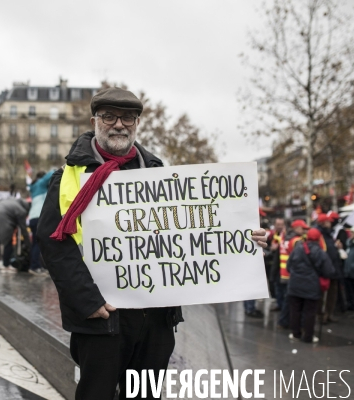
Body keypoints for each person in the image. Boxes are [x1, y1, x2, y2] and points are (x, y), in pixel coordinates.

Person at [37, 87, 268, 399]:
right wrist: (87, 302)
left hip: (156, 320)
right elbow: (54, 244)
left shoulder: (157, 172)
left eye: (128, 118)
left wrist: (241, 236)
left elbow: (191, 231)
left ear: (137, 124)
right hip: (103, 317)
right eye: (109, 117)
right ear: (94, 121)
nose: (119, 124)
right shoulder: (69, 176)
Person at [287, 228, 334, 343]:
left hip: (295, 285)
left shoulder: (297, 249)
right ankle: (308, 336)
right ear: (318, 239)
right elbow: (329, 271)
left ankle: (295, 334)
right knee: (310, 312)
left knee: (295, 310)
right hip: (312, 286)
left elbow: (289, 266)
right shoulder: (320, 252)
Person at [0, 198, 31, 273]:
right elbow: (23, 229)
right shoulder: (21, 210)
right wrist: (29, 245)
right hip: (2, 218)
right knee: (8, 241)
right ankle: (6, 266)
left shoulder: (10, 200)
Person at [317, 213, 343, 323]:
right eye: (328, 221)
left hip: (334, 268)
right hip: (325, 270)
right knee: (323, 295)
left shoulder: (329, 234)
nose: (330, 223)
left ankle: (329, 314)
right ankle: (322, 315)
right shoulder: (320, 235)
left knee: (332, 293)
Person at [28, 170, 54, 275]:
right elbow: (51, 173)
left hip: (32, 217)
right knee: (39, 243)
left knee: (36, 243)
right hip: (39, 216)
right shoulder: (41, 183)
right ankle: (35, 267)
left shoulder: (34, 187)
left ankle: (36, 266)